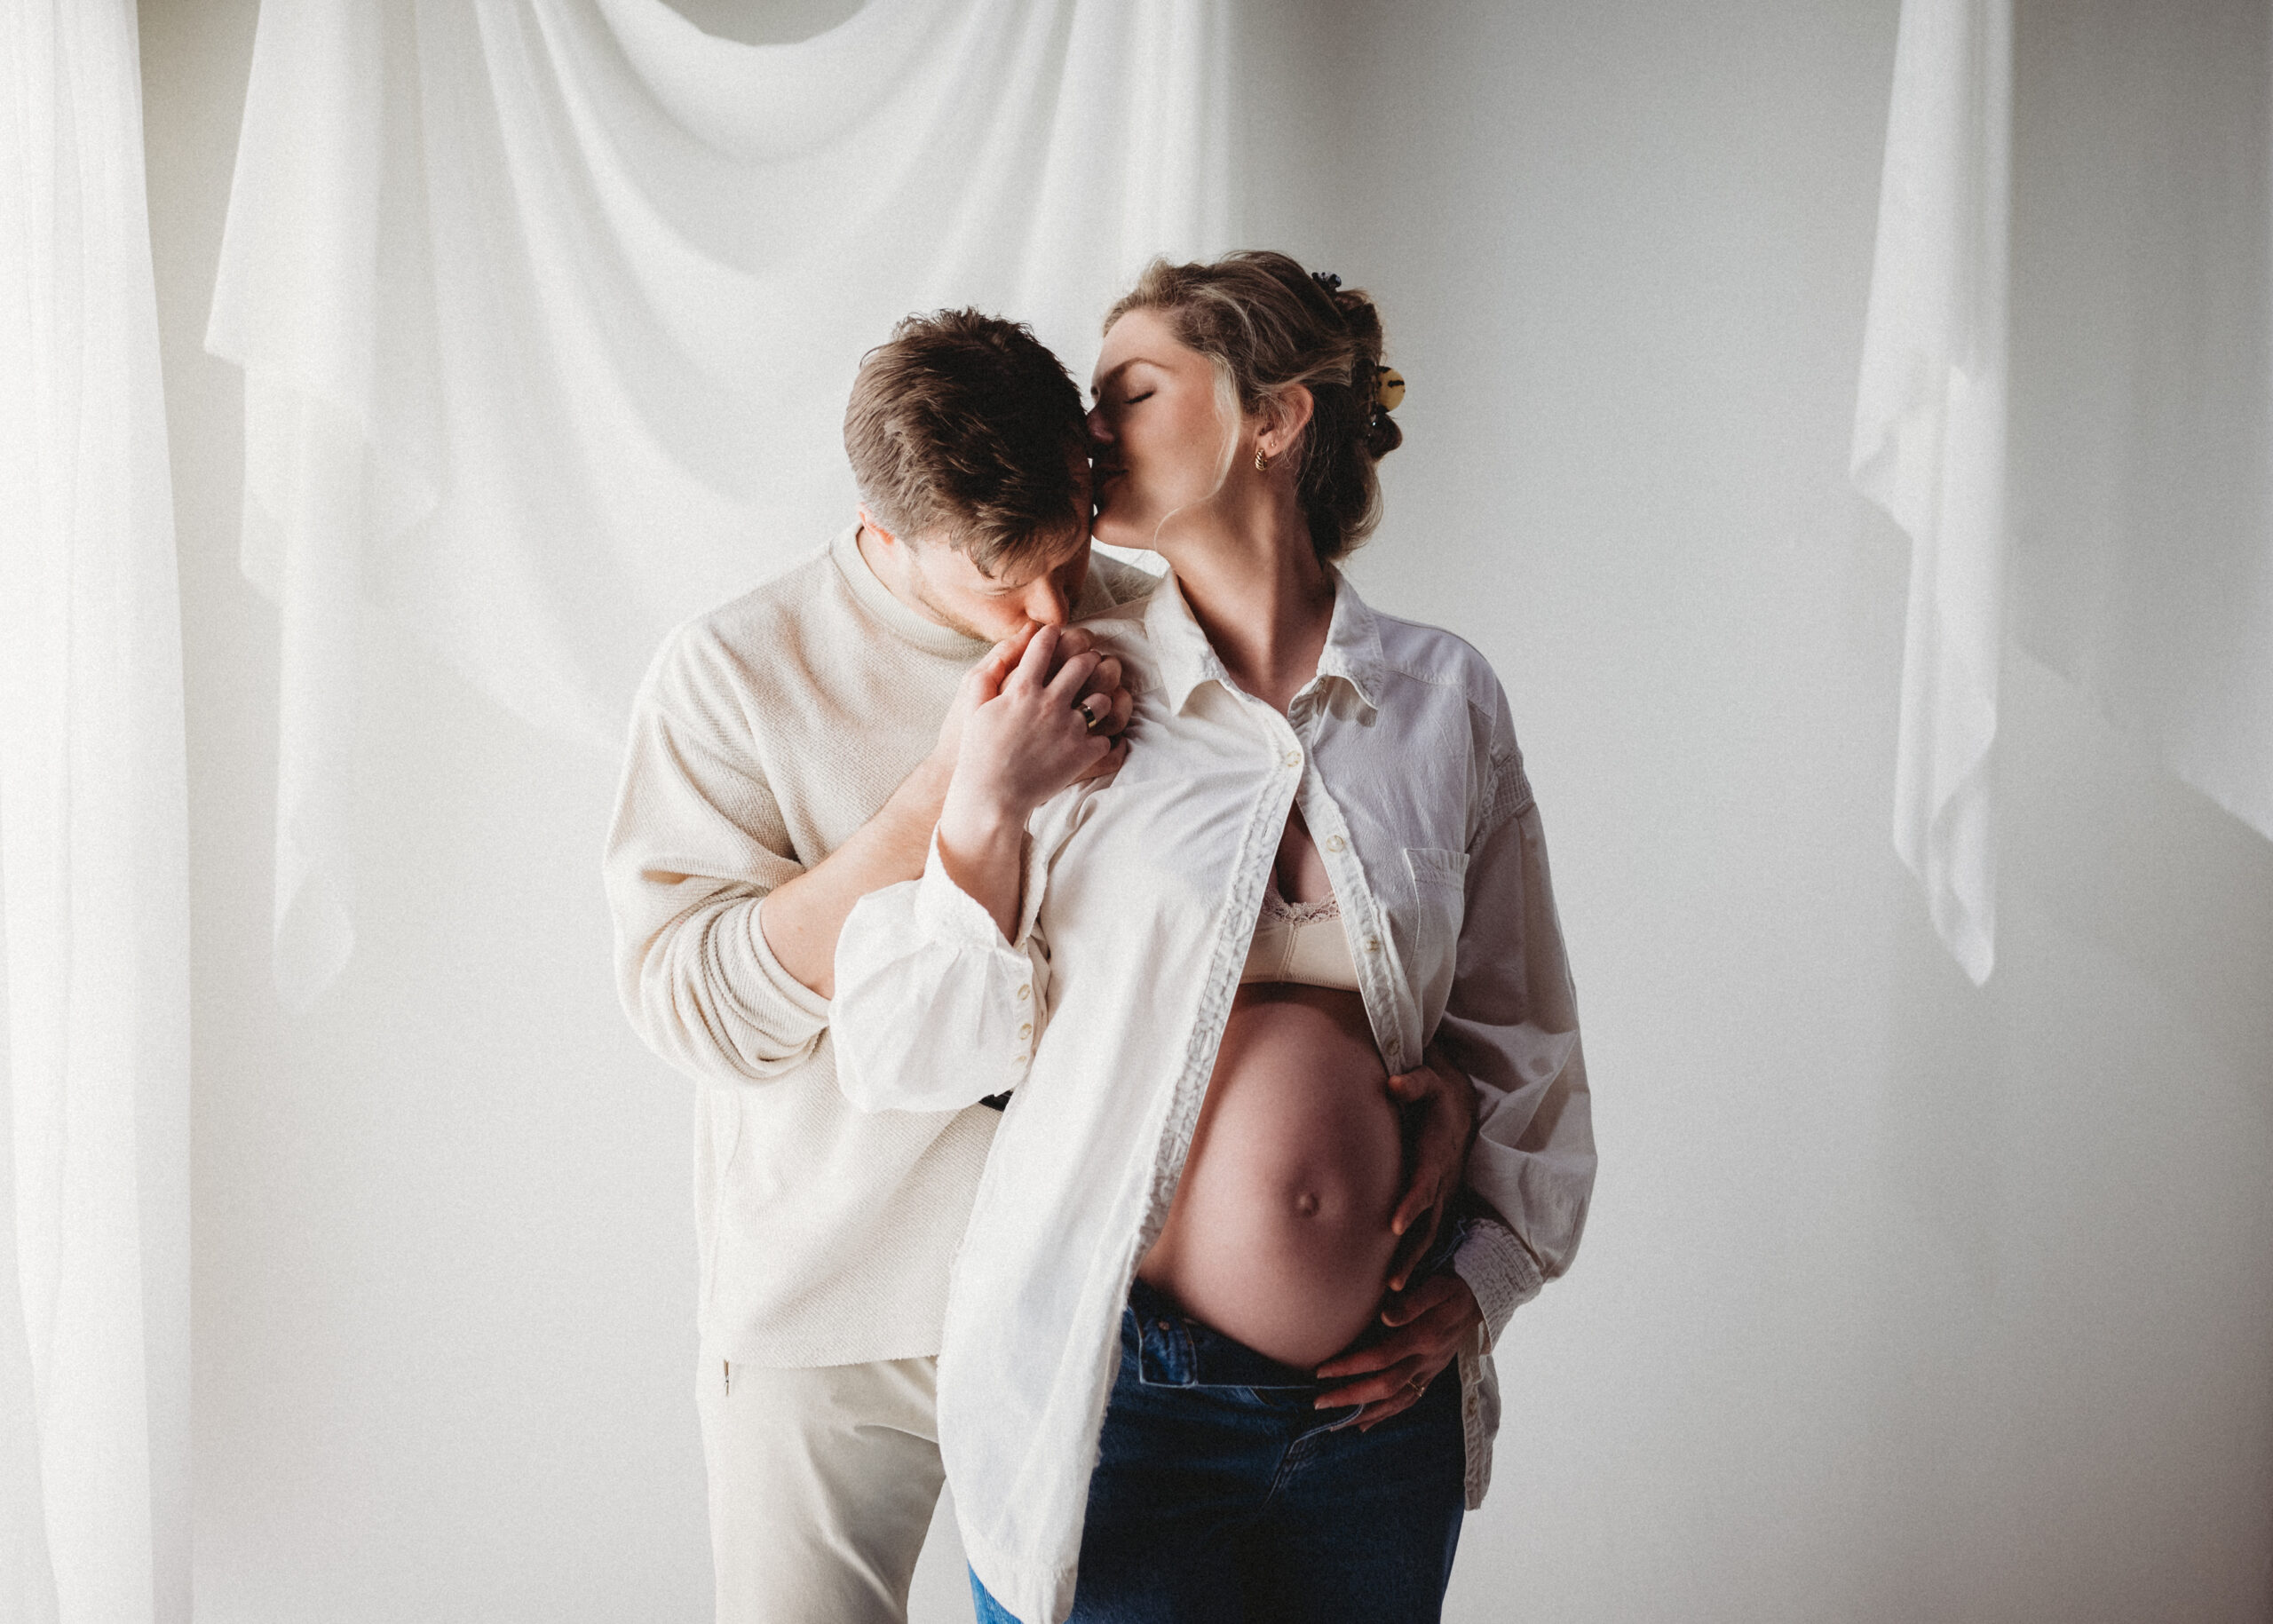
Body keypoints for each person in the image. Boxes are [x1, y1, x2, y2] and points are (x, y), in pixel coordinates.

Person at [831, 254, 1596, 1624]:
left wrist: (1480, 1282)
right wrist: (991, 798)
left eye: (1129, 388)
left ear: (1274, 418)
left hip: (1377, 1422)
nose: (1090, 429)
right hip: (1127, 1406)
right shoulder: (1072, 681)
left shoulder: (1444, 698)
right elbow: (905, 1050)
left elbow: (1520, 1027)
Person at [601, 310, 1148, 1624]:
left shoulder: (1156, 620)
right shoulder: (732, 672)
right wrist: (938, 803)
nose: (1048, 614)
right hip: (823, 1313)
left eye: (1066, 558)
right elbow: (695, 1004)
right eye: (996, 581)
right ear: (883, 530)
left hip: (1098, 1302)